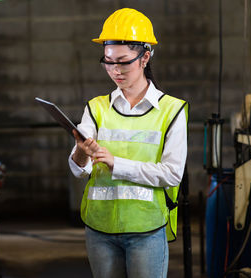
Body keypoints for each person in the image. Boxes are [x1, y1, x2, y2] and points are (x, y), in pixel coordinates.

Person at [69, 8, 188, 278]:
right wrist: (80, 151)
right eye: (108, 61)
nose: (115, 70)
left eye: (123, 62)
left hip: (146, 230)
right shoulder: (96, 108)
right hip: (99, 229)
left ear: (145, 57)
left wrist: (116, 163)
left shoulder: (172, 111)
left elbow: (172, 174)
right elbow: (79, 170)